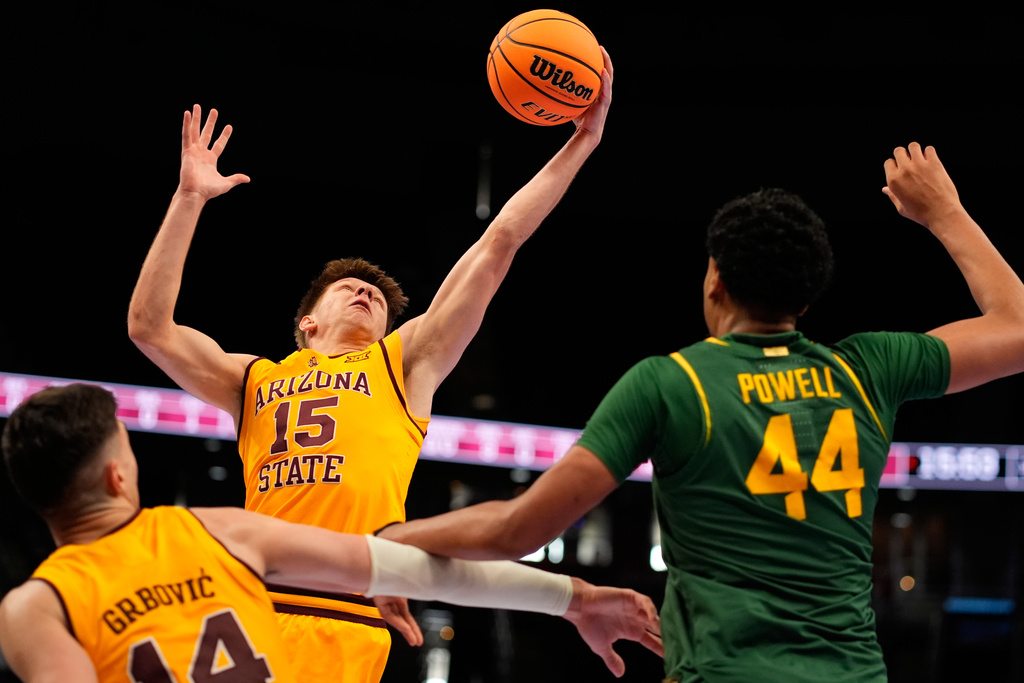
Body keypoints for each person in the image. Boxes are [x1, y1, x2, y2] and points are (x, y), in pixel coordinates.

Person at [377, 142, 1024, 681]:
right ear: (808, 296)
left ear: (714, 278)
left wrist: (393, 539)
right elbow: (1017, 326)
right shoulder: (865, 369)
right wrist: (946, 211)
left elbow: (514, 529)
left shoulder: (672, 382)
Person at [126, 53, 615, 680]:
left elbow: (499, 243)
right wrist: (189, 197)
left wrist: (582, 143)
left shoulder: (403, 364)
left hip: (351, 608)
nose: (367, 295)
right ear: (306, 324)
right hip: (253, 602)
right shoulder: (255, 380)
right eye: (350, 289)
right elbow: (149, 328)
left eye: (378, 299)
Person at [0, 383, 662, 682]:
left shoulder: (34, 605)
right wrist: (574, 597)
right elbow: (415, 567)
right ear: (120, 475)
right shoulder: (218, 529)